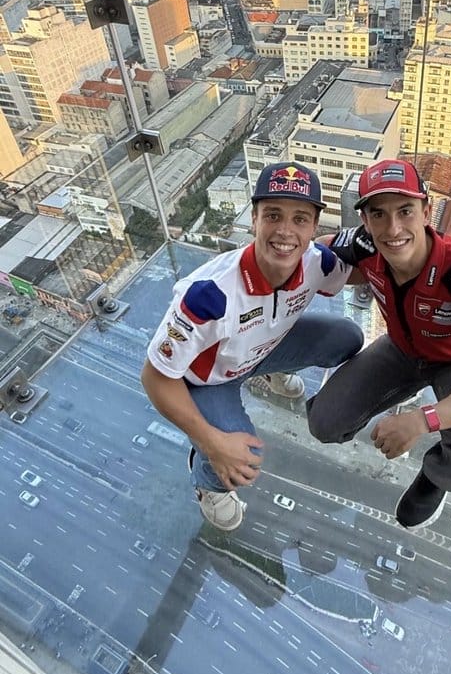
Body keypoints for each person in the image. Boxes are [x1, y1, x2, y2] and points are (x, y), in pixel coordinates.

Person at [142, 161, 364, 532]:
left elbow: (355, 267)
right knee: (246, 458)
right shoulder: (208, 297)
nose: (285, 231)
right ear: (254, 220)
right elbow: (154, 378)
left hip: (260, 351)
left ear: (313, 227)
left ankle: (272, 374)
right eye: (273, 215)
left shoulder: (315, 262)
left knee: (347, 338)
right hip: (208, 379)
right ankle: (205, 482)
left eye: (300, 219)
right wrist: (211, 442)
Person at [307, 158, 451, 530]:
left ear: (426, 211)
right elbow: (317, 251)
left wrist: (422, 421)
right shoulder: (364, 244)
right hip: (400, 350)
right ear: (365, 221)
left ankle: (439, 475)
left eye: (405, 211)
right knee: (324, 424)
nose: (393, 229)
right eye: (378, 215)